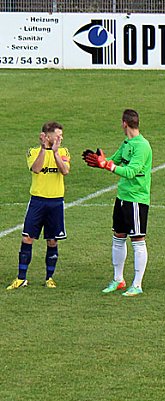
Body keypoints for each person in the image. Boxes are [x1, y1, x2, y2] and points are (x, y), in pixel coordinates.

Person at [83, 109, 153, 297]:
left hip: (137, 199)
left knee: (138, 240)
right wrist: (102, 162)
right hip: (122, 198)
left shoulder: (142, 146)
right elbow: (114, 160)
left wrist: (109, 165)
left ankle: (137, 284)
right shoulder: (127, 143)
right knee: (118, 236)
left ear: (124, 123)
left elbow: (130, 172)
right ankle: (118, 279)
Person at [7, 122, 70, 290]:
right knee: (27, 238)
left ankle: (49, 278)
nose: (60, 138)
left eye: (61, 135)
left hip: (56, 202)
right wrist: (44, 149)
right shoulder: (33, 151)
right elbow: (36, 168)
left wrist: (55, 153)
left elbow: (64, 171)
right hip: (37, 201)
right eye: (57, 135)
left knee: (52, 241)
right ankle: (21, 278)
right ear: (47, 136)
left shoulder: (63, 152)